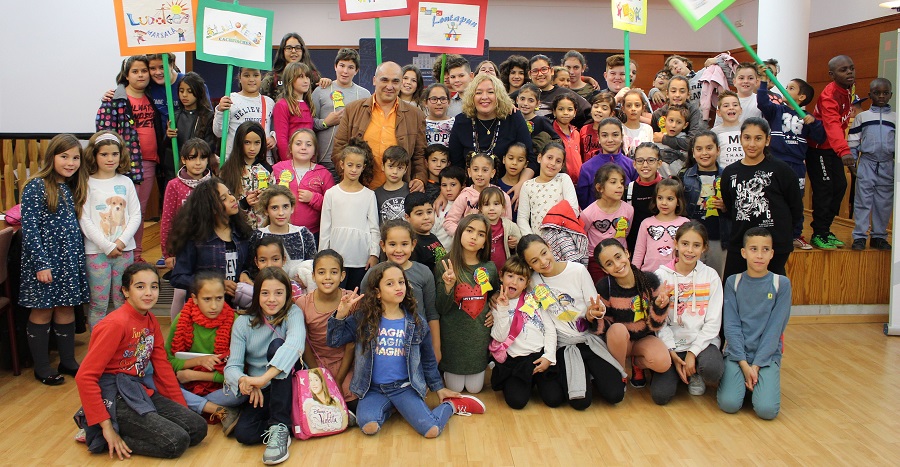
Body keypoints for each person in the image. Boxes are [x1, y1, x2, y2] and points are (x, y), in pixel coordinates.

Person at [327, 262, 484, 438]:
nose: (398, 287)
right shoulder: (364, 319)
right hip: (373, 390)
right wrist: (340, 315)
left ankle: (451, 406)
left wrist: (438, 388)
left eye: (401, 282)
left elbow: (428, 359)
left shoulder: (416, 323)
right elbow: (334, 341)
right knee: (369, 427)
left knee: (431, 431)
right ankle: (394, 407)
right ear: (377, 292)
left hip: (404, 387)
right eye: (390, 283)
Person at [74, 263, 207, 459]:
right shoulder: (115, 324)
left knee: (197, 427)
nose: (148, 293)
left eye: (154, 286)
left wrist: (180, 409)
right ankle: (98, 432)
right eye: (140, 287)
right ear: (126, 291)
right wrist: (106, 426)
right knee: (176, 442)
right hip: (113, 396)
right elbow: (84, 377)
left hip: (136, 389)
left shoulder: (151, 320)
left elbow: (162, 367)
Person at [517, 235, 626, 409]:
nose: (544, 262)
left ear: (549, 246)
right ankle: (583, 375)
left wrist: (594, 313)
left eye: (544, 253)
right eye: (535, 261)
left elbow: (595, 306)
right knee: (580, 403)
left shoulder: (578, 270)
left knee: (616, 395)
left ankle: (592, 374)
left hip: (588, 339)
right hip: (564, 346)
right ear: (529, 265)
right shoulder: (534, 282)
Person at [21, 134, 90, 385]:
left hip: (69, 260)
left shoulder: (72, 185)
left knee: (66, 308)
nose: (70, 162)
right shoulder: (36, 185)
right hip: (46, 262)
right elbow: (30, 229)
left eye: (75, 157)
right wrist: (41, 264)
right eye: (64, 157)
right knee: (42, 311)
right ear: (52, 157)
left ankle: (68, 360)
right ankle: (42, 367)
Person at [225, 267, 305, 464]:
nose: (272, 299)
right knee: (244, 434)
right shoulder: (243, 323)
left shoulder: (293, 313)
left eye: (279, 293)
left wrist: (262, 379)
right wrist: (244, 380)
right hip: (262, 391)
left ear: (287, 295)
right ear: (257, 294)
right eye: (265, 293)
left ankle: (279, 426)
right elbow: (231, 366)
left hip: (289, 385)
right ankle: (288, 425)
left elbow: (295, 346)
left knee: (277, 347)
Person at [717, 228, 791, 420]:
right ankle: (744, 382)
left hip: (766, 356)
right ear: (744, 252)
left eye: (765, 249)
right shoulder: (733, 282)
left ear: (772, 253)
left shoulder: (781, 284)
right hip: (737, 355)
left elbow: (775, 330)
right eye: (753, 249)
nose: (759, 255)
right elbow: (731, 326)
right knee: (729, 404)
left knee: (766, 411)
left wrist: (756, 366)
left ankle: (756, 383)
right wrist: (743, 363)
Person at [96, 55, 163, 261]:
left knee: (139, 212)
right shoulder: (115, 99)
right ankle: (120, 252)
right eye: (135, 71)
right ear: (126, 75)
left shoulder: (152, 96)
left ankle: (137, 254)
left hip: (149, 162)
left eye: (144, 71)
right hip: (125, 164)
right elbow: (103, 134)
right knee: (120, 210)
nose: (141, 75)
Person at [721, 118, 803, 277]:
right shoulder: (730, 173)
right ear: (740, 139)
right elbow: (731, 207)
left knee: (772, 292)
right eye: (747, 138)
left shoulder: (782, 170)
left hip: (775, 245)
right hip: (740, 245)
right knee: (733, 291)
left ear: (767, 140)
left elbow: (796, 208)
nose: (752, 144)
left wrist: (784, 238)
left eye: (758, 138)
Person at [653, 222, 724, 404]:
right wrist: (671, 350)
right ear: (676, 244)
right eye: (685, 244)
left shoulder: (711, 276)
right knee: (660, 396)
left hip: (701, 343)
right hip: (672, 344)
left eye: (696, 245)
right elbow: (659, 322)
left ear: (704, 248)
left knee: (713, 369)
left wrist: (693, 352)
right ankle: (678, 369)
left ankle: (696, 372)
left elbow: (713, 323)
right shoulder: (660, 276)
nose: (689, 250)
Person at [166, 271, 244, 431]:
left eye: (219, 298)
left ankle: (193, 405)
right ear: (194, 298)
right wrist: (198, 362)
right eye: (207, 299)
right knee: (157, 382)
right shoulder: (181, 319)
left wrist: (194, 375)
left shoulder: (235, 322)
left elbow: (239, 371)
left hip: (220, 387)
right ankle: (216, 410)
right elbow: (167, 361)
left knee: (241, 392)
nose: (214, 306)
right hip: (185, 384)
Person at [332, 61, 427, 191]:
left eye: (395, 81)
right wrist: (349, 178)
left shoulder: (416, 115)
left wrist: (419, 178)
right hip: (360, 190)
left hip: (398, 193)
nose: (389, 86)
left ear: (400, 84)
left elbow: (419, 155)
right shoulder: (352, 110)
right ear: (374, 80)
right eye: (384, 80)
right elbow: (339, 149)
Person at [79, 131, 141, 329]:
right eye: (104, 154)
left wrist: (121, 242)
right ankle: (99, 348)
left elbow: (136, 215)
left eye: (114, 154)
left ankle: (122, 344)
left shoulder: (126, 182)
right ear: (94, 156)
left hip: (124, 251)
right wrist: (106, 246)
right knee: (98, 304)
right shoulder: (87, 183)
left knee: (123, 300)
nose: (110, 158)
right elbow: (85, 219)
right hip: (97, 253)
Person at [592, 238, 672, 390]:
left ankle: (637, 363)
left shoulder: (649, 280)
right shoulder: (604, 287)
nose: (617, 265)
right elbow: (602, 329)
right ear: (604, 269)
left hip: (643, 338)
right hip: (620, 341)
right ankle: (620, 372)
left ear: (627, 253)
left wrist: (659, 307)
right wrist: (596, 317)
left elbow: (656, 325)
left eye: (618, 257)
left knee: (663, 363)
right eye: (609, 263)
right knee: (618, 330)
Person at [757, 78, 824, 251]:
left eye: (791, 88)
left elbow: (820, 137)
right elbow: (762, 102)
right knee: (770, 197)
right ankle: (768, 234)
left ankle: (795, 235)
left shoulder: (806, 117)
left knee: (795, 201)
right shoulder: (777, 110)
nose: (785, 89)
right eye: (786, 87)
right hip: (775, 162)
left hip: (796, 165)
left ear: (801, 96)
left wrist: (814, 123)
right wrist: (764, 83)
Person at [360, 220, 441, 361]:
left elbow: (432, 314)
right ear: (383, 246)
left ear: (413, 245)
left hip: (417, 343)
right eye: (392, 244)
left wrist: (436, 348)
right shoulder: (372, 274)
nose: (398, 250)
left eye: (404, 244)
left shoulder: (424, 273)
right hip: (384, 346)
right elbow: (364, 312)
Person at [435, 214, 498, 393]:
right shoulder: (444, 265)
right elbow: (440, 308)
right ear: (460, 232)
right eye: (469, 230)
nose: (473, 237)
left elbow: (495, 296)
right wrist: (448, 287)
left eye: (480, 234)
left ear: (485, 242)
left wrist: (495, 312)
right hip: (452, 340)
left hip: (478, 339)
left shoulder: (490, 268)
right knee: (454, 388)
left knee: (475, 389)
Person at [489, 255, 561, 409]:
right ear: (501, 276)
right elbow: (500, 336)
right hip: (516, 363)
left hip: (539, 358)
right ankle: (524, 383)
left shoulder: (534, 300)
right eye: (510, 276)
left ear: (527, 283)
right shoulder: (497, 304)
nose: (514, 282)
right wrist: (502, 309)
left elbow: (550, 330)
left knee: (554, 399)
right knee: (516, 402)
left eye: (521, 279)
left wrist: (548, 356)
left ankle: (537, 381)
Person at [168, 178, 252, 308]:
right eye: (223, 199)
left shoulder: (243, 233)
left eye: (230, 193)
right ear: (210, 208)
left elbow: (249, 265)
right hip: (206, 310)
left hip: (237, 307)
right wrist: (215, 284)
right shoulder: (195, 238)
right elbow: (178, 277)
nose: (232, 199)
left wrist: (245, 274)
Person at [448, 73, 537, 192]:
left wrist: (521, 184)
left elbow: (530, 159)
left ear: (499, 95)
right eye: (479, 93)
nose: (484, 97)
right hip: (471, 192)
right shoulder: (461, 121)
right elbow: (456, 164)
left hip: (509, 190)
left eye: (490, 92)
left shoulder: (513, 118)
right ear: (471, 97)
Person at [295, 250, 359, 406]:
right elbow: (305, 343)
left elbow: (352, 345)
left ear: (342, 276)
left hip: (345, 363)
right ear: (313, 276)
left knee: (351, 403)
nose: (328, 277)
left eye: (334, 272)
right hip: (315, 364)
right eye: (322, 272)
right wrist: (319, 375)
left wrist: (338, 380)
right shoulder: (303, 304)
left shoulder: (352, 301)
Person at [806, 55, 855, 249]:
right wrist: (844, 150)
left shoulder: (847, 90)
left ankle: (825, 229)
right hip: (818, 150)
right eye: (843, 70)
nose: (849, 72)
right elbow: (832, 125)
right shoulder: (829, 95)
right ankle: (818, 233)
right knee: (824, 190)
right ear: (832, 74)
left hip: (832, 148)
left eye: (851, 68)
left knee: (840, 187)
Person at [319, 139, 380, 291]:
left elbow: (374, 228)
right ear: (342, 164)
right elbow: (325, 227)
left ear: (363, 167)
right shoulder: (331, 194)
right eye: (350, 165)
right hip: (336, 257)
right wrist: (322, 255)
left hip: (361, 258)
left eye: (358, 166)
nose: (353, 170)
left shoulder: (369, 195)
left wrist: (374, 254)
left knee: (357, 296)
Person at [850, 78, 895, 250]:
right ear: (870, 95)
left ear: (891, 95)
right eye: (877, 93)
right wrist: (853, 162)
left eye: (885, 93)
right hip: (867, 162)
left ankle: (879, 236)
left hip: (887, 164)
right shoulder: (863, 117)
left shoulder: (895, 118)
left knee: (883, 202)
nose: (881, 96)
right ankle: (859, 236)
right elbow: (853, 141)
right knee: (862, 200)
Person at [311, 48, 371, 179]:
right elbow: (309, 123)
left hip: (354, 160)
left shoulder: (365, 95)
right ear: (335, 66)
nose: (345, 71)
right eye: (342, 66)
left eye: (350, 67)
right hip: (325, 159)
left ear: (356, 71)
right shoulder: (321, 90)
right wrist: (326, 123)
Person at [159, 138, 216, 271]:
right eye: (192, 158)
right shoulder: (174, 185)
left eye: (202, 158)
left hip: (210, 244)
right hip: (183, 245)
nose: (198, 163)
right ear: (184, 160)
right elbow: (168, 220)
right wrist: (168, 253)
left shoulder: (214, 184)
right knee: (183, 286)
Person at [270, 128, 334, 237]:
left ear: (315, 150)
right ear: (290, 147)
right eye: (298, 144)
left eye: (309, 145)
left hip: (312, 233)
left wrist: (313, 198)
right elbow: (267, 197)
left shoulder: (323, 174)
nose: (303, 148)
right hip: (280, 231)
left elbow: (333, 206)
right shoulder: (277, 169)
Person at [682, 131, 728, 275]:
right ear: (693, 152)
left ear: (718, 150)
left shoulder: (728, 176)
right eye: (699, 149)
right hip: (692, 238)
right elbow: (681, 209)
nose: (704, 153)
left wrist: (726, 207)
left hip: (718, 238)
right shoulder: (684, 176)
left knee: (717, 279)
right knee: (691, 278)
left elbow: (737, 208)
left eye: (709, 148)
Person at [581, 163, 634, 282]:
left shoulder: (629, 210)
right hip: (596, 260)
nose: (620, 186)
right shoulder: (588, 213)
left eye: (621, 182)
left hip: (620, 258)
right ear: (600, 188)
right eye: (613, 182)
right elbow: (583, 236)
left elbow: (626, 233)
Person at [162, 72, 217, 184]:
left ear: (198, 92)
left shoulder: (208, 116)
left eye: (189, 91)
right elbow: (166, 148)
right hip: (176, 171)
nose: (184, 95)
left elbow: (210, 145)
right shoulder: (174, 116)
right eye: (181, 91)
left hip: (199, 171)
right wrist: (168, 136)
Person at [213, 67, 276, 163]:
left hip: (262, 163)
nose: (251, 79)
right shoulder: (230, 99)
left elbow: (275, 128)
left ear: (261, 77)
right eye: (246, 75)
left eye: (256, 75)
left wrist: (273, 138)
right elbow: (218, 132)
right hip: (235, 162)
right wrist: (220, 111)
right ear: (239, 78)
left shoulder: (269, 102)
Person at [250, 185, 318, 275]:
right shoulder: (258, 235)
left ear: (292, 208)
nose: (281, 213)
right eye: (274, 208)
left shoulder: (303, 234)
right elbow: (250, 269)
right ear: (266, 211)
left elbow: (312, 267)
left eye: (285, 207)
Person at [443, 151, 512, 237]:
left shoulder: (502, 196)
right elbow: (449, 222)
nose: (479, 174)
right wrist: (464, 235)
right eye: (475, 170)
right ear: (469, 172)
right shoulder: (465, 196)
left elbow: (508, 224)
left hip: (495, 244)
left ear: (492, 173)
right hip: (470, 245)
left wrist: (510, 238)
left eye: (485, 170)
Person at [517, 142, 579, 236]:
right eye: (549, 158)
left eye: (558, 161)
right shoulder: (527, 185)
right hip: (538, 242)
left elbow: (573, 209)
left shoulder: (563, 179)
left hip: (563, 238)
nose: (552, 163)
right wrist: (532, 241)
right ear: (539, 158)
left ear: (562, 166)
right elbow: (522, 218)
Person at [218, 121, 273, 229]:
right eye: (247, 142)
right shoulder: (228, 170)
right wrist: (244, 203)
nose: (252, 148)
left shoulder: (267, 169)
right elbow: (220, 202)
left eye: (257, 143)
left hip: (264, 227)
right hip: (238, 228)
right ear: (239, 143)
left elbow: (274, 197)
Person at [576, 118, 638, 209]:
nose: (610, 140)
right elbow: (583, 201)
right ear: (599, 138)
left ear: (621, 137)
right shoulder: (587, 168)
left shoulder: (632, 165)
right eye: (605, 135)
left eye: (615, 135)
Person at [632, 178, 689, 272]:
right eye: (660, 198)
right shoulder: (646, 223)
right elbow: (639, 252)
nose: (664, 203)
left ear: (678, 201)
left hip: (676, 275)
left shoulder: (685, 223)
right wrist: (634, 274)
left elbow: (688, 251)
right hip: (649, 275)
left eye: (670, 199)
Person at [261, 33, 327, 101]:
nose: (293, 51)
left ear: (303, 51)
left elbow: (323, 99)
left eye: (297, 48)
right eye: (289, 48)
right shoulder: (272, 77)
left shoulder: (313, 75)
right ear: (282, 51)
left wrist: (326, 83)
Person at [624, 143, 663, 256]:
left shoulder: (668, 187)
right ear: (634, 164)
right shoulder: (628, 190)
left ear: (659, 163)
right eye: (640, 161)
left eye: (651, 160)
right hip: (636, 249)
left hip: (662, 247)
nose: (645, 165)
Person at [273, 62, 316, 161]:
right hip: (290, 163)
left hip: (308, 161)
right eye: (301, 77)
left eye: (308, 77)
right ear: (290, 80)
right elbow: (281, 139)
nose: (306, 81)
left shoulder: (309, 104)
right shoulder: (282, 105)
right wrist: (289, 164)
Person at [479, 187, 521, 271]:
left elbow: (520, 242)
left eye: (496, 204)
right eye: (486, 204)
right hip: (482, 272)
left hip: (504, 270)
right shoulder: (478, 226)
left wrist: (514, 243)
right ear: (480, 208)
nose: (491, 208)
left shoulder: (510, 226)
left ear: (503, 208)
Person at [406, 192, 446, 272]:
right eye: (419, 214)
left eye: (429, 212)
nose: (426, 217)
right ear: (407, 217)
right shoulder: (413, 244)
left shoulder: (432, 236)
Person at [515, 84, 559, 156]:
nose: (525, 103)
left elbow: (556, 140)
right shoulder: (513, 120)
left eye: (531, 100)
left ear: (537, 104)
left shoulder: (542, 121)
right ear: (517, 100)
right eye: (522, 99)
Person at [374, 146, 411, 224]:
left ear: (405, 170)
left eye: (400, 167)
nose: (395, 172)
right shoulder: (375, 194)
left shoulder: (411, 190)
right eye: (390, 166)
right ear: (382, 166)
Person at [433, 166, 465, 252]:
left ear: (463, 185)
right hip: (439, 254)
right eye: (444, 185)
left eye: (453, 185)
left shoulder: (468, 205)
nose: (448, 189)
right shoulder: (438, 206)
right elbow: (432, 233)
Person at [551, 94, 582, 182]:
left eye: (570, 109)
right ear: (554, 112)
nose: (565, 113)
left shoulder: (576, 133)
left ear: (575, 112)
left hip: (578, 182)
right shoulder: (551, 133)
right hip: (558, 181)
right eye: (561, 109)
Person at [712, 90, 745, 169]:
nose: (731, 108)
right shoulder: (714, 132)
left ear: (740, 110)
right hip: (724, 172)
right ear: (719, 112)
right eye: (726, 106)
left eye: (735, 105)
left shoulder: (747, 128)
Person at [656, 104, 691, 177]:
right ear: (665, 120)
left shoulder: (685, 142)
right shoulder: (657, 139)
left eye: (679, 122)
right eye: (671, 120)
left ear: (685, 125)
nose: (673, 125)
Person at [580, 91, 616, 160]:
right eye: (596, 107)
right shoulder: (584, 129)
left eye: (604, 108)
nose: (599, 110)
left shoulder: (613, 132)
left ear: (611, 113)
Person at [621, 90, 654, 156]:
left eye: (637, 105)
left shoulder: (648, 129)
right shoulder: (620, 129)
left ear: (643, 108)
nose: (633, 109)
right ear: (623, 109)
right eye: (629, 105)